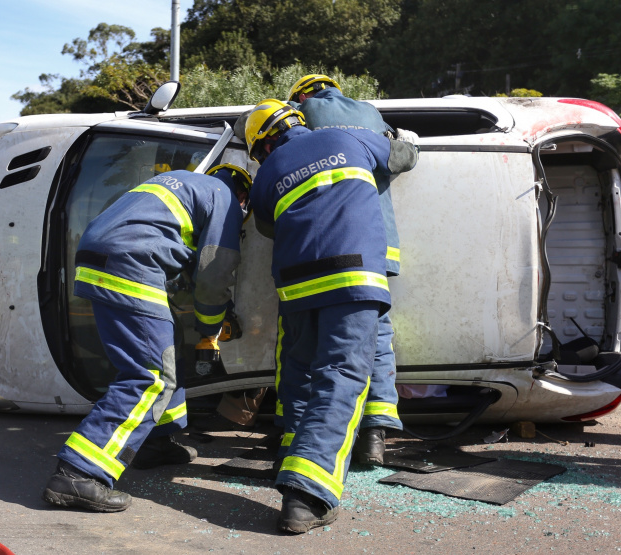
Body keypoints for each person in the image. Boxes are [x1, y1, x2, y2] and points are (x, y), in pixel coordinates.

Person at [244, 99, 418, 533]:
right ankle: (308, 494)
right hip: (352, 274)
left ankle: (292, 454)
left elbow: (266, 225)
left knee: (300, 371)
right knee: (340, 376)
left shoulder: (267, 173)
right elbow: (401, 158)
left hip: (295, 286)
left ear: (262, 146)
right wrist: (403, 141)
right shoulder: (347, 137)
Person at [43, 164, 251, 513]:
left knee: (165, 347)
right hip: (132, 263)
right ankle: (78, 473)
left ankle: (157, 443)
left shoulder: (180, 183)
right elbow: (215, 272)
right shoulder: (225, 197)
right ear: (243, 194)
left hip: (99, 257)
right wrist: (211, 327)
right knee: (151, 375)